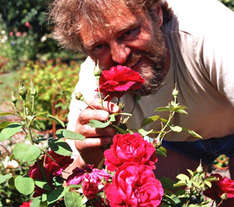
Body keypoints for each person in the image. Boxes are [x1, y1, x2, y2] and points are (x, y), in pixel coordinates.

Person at [50, 0, 234, 200]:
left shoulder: (210, 31)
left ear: (157, 14)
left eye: (128, 33)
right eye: (99, 46)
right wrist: (87, 156)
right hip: (175, 143)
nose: (120, 56)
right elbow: (64, 177)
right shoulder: (93, 79)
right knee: (163, 198)